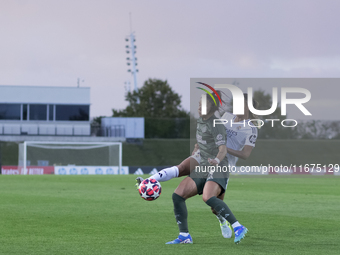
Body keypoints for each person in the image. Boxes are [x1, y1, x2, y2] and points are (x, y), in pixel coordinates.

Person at [136, 93, 258, 240]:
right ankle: (150, 181)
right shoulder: (226, 117)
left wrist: (222, 147)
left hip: (222, 165)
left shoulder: (251, 129)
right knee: (180, 175)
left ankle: (222, 221)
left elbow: (245, 154)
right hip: (205, 157)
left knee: (214, 206)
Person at [165, 92, 247, 244]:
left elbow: (222, 148)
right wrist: (197, 147)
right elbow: (202, 140)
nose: (200, 106)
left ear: (212, 106)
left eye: (204, 104)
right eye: (199, 104)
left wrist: (216, 160)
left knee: (208, 198)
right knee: (178, 195)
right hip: (203, 165)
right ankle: (184, 236)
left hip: (218, 166)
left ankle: (238, 226)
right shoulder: (201, 121)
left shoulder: (216, 124)